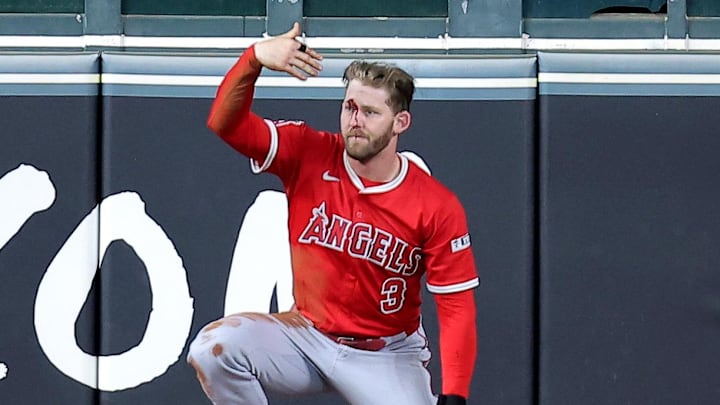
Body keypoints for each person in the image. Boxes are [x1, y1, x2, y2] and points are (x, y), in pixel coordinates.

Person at [187, 22, 479, 405]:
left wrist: (455, 395)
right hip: (306, 336)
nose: (355, 120)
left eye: (371, 112)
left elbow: (456, 306)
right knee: (213, 350)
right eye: (349, 107)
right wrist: (253, 59)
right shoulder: (310, 153)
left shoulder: (435, 204)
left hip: (385, 354)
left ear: (400, 123)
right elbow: (226, 124)